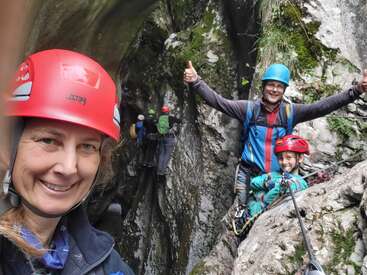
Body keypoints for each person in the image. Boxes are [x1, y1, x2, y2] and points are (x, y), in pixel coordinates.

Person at [0, 49, 134, 274]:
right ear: (9, 146)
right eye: (49, 140)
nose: (68, 167)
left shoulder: (110, 267)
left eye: (87, 146)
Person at [184, 61, 367, 212]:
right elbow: (219, 102)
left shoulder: (290, 112)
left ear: (284, 90)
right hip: (249, 175)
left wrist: (357, 90)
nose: (274, 90)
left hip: (278, 175)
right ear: (263, 86)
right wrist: (196, 82)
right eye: (271, 85)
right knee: (244, 216)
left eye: (279, 86)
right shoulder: (248, 109)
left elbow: (322, 107)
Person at [233, 135, 309, 235]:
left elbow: (296, 187)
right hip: (251, 213)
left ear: (300, 158)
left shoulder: (300, 181)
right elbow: (253, 182)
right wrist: (266, 183)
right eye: (281, 158)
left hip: (262, 218)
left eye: (289, 158)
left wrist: (282, 186)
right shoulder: (274, 174)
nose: (284, 162)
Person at [156, 105, 181, 175]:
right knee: (167, 154)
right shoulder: (170, 118)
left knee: (161, 154)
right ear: (168, 111)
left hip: (161, 137)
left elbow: (157, 125)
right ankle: (162, 171)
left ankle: (159, 170)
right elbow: (180, 121)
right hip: (169, 138)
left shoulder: (159, 118)